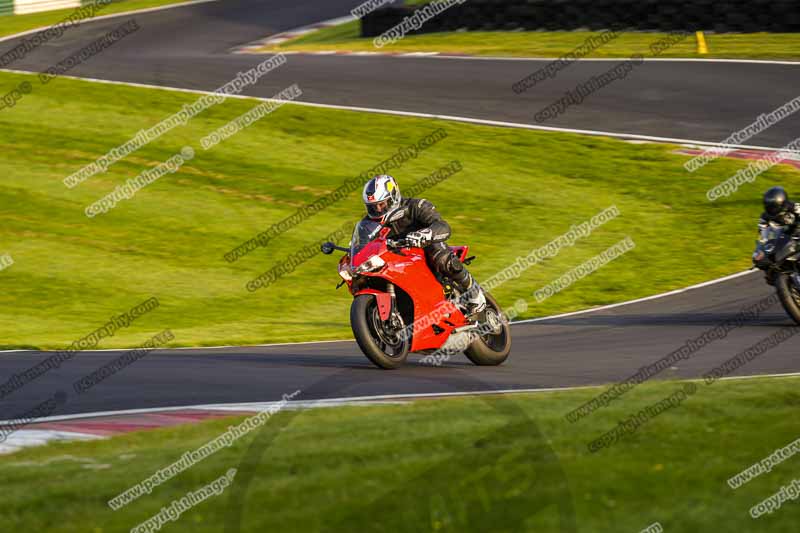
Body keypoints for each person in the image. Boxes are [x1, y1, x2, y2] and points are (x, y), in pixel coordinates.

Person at [361, 174, 486, 315]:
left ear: (393, 197)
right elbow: (364, 245)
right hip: (397, 259)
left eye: (381, 204)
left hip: (424, 249)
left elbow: (443, 226)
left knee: (442, 258)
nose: (378, 210)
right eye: (372, 207)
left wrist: (425, 234)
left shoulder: (415, 206)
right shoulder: (368, 224)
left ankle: (474, 292)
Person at [753, 186, 800, 276]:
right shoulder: (764, 217)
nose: (772, 209)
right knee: (768, 260)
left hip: (797, 231)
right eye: (769, 207)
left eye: (774, 207)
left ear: (782, 203)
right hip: (784, 237)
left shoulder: (794, 207)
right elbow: (762, 235)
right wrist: (760, 250)